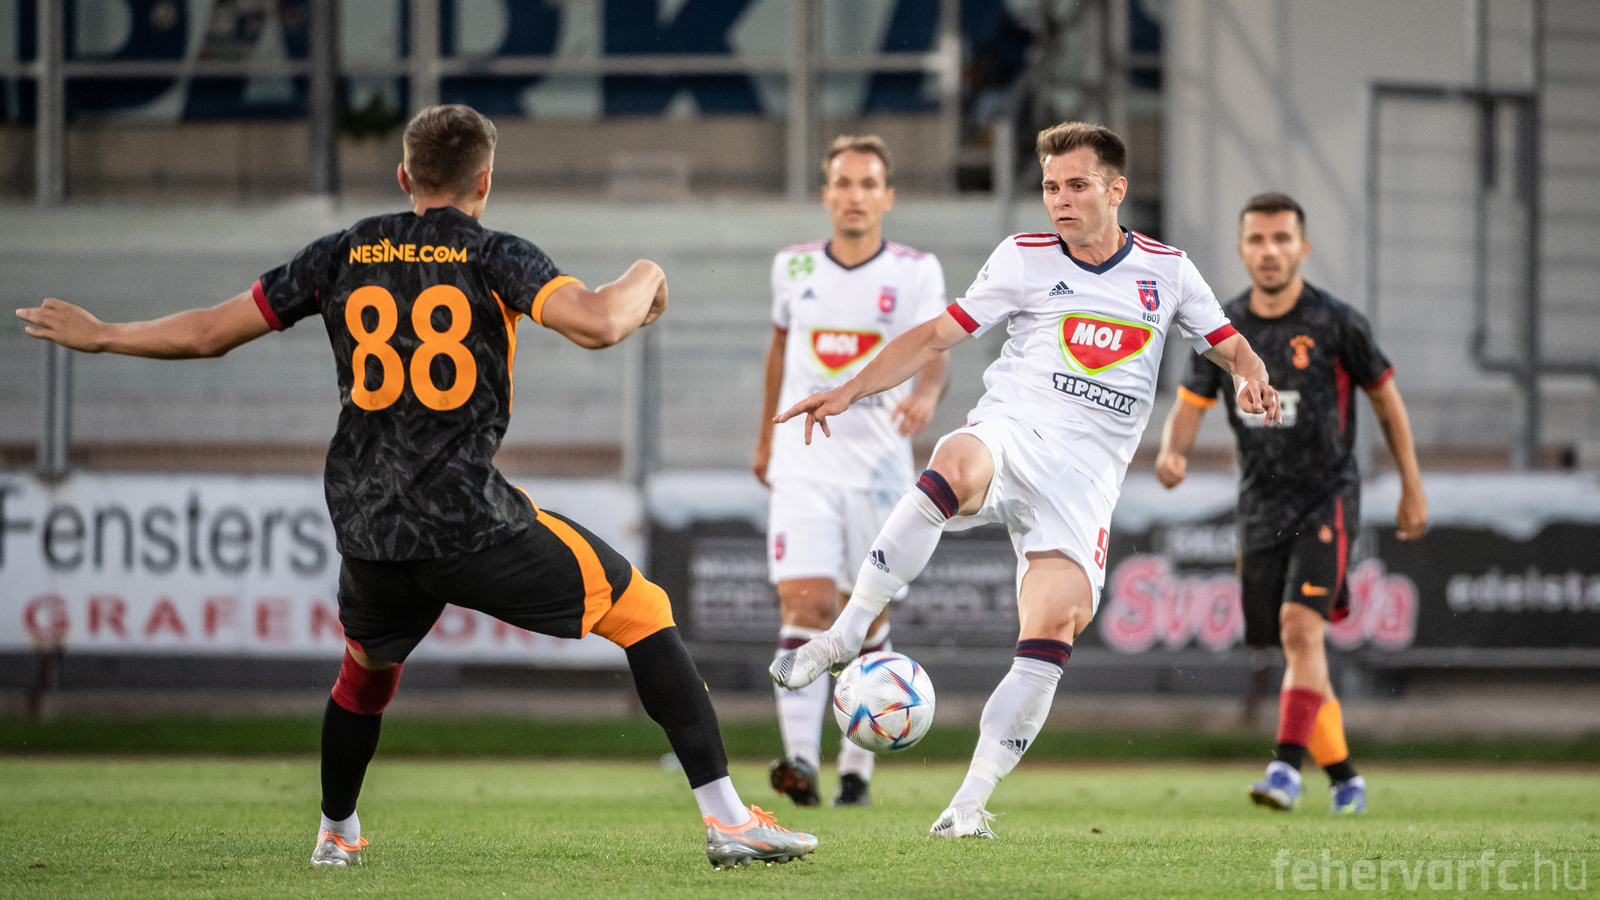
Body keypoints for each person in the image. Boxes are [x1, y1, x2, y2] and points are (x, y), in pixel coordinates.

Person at [15, 104, 816, 870]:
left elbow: (206, 335)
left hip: (370, 527)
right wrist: (648, 273)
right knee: (643, 610)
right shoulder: (494, 255)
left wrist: (105, 334)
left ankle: (335, 834)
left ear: (404, 177)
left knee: (364, 676)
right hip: (467, 521)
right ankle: (727, 820)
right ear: (485, 180)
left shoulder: (343, 252)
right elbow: (602, 322)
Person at [769, 121, 1280, 838]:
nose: (1060, 200)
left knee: (1053, 627)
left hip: (1084, 484)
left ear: (1116, 190)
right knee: (953, 462)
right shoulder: (1023, 257)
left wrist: (1254, 378)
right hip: (1012, 433)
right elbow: (936, 335)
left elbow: (1232, 347)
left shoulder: (1168, 271)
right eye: (1049, 187)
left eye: (1077, 186)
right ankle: (846, 636)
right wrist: (851, 390)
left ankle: (968, 805)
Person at [1154, 191, 1428, 814]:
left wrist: (1412, 485)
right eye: (1258, 239)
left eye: (1282, 239)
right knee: (1298, 647)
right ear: (1241, 249)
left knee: (1300, 628)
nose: (1270, 251)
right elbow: (1190, 405)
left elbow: (1386, 400)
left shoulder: (1337, 323)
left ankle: (1283, 770)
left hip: (1326, 497)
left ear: (1302, 248)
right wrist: (1173, 453)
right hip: (1259, 507)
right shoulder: (1222, 327)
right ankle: (1347, 779)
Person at [752, 135, 949, 809]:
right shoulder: (793, 266)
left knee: (865, 615)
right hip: (804, 463)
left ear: (887, 196)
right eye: (843, 182)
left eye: (868, 184)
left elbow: (937, 347)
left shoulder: (916, 271)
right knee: (806, 605)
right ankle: (802, 763)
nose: (855, 195)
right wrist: (764, 440)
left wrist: (927, 396)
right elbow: (779, 353)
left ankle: (857, 770)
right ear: (826, 194)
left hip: (879, 469)